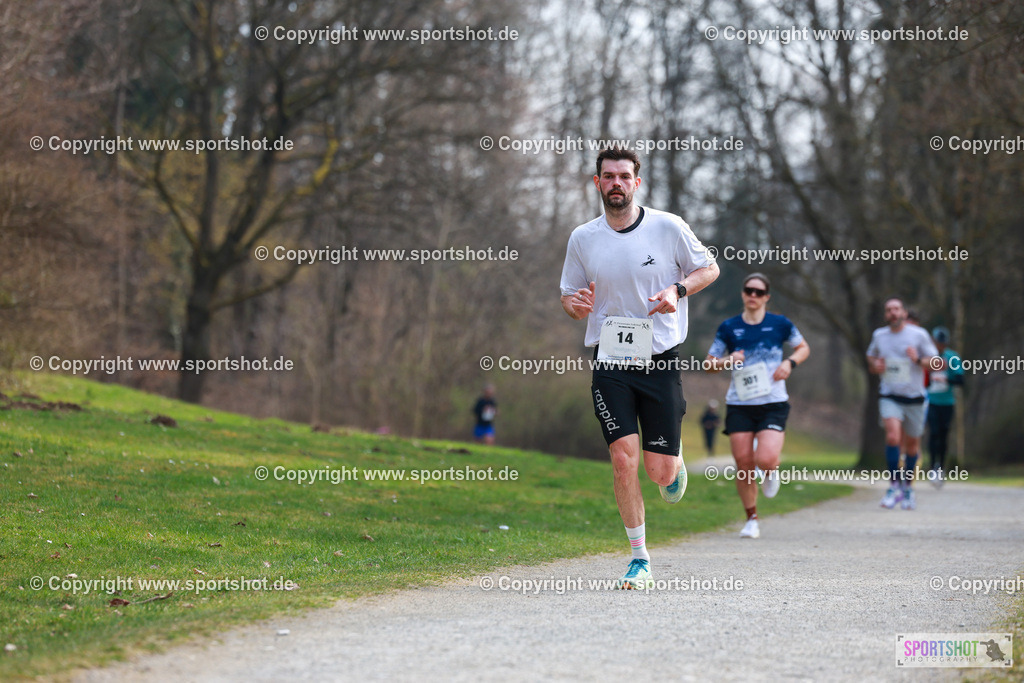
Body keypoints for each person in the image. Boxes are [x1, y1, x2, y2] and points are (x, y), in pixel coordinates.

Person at [559, 148, 719, 589]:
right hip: (610, 360)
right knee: (622, 458)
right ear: (597, 183)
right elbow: (570, 297)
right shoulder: (582, 238)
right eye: (608, 176)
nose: (616, 183)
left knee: (659, 473)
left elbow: (710, 267)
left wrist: (677, 290)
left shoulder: (668, 227)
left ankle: (674, 456)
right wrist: (574, 305)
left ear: (637, 183)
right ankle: (639, 558)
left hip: (660, 358)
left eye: (624, 176)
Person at [705, 273, 810, 539]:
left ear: (766, 297)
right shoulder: (729, 327)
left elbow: (803, 348)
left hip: (773, 402)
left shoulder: (780, 324)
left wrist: (790, 363)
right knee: (743, 463)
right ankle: (751, 518)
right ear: (743, 294)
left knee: (764, 458)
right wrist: (728, 360)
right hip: (739, 403)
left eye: (758, 292)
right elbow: (708, 364)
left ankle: (771, 470)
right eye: (748, 290)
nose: (753, 295)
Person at [866, 298, 939, 510]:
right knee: (892, 436)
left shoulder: (919, 335)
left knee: (912, 446)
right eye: (889, 310)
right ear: (885, 314)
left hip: (915, 398)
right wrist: (875, 364)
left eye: (896, 309)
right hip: (890, 395)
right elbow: (871, 357)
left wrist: (917, 360)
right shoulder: (879, 336)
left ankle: (908, 488)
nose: (893, 313)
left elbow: (936, 362)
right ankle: (894, 486)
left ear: (904, 313)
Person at [926, 326, 963, 486]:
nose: (939, 346)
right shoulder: (927, 357)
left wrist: (946, 379)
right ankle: (933, 467)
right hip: (930, 401)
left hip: (947, 403)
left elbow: (960, 381)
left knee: (943, 434)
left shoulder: (952, 358)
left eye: (942, 343)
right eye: (937, 342)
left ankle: (941, 467)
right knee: (933, 433)